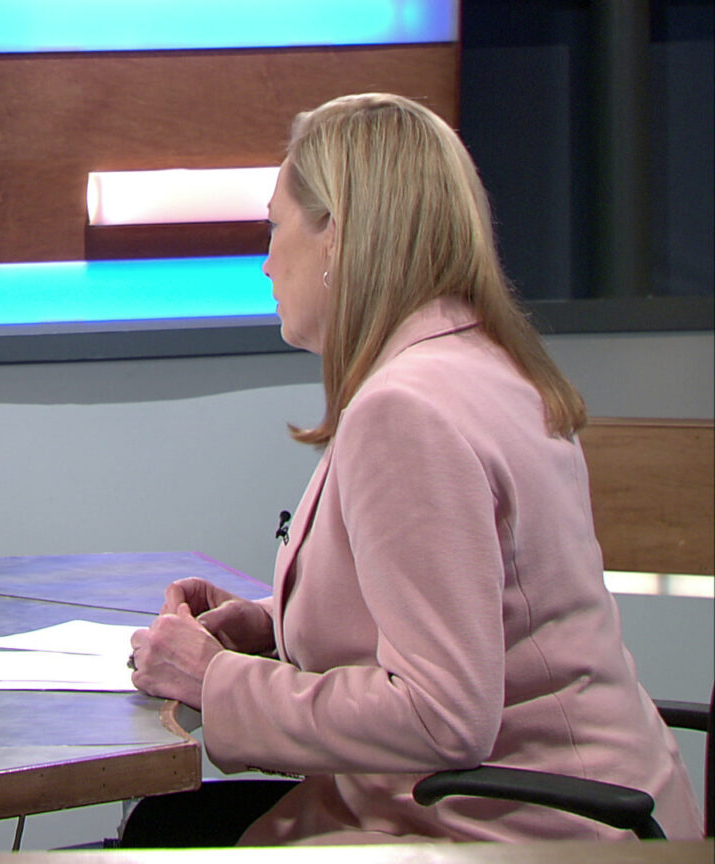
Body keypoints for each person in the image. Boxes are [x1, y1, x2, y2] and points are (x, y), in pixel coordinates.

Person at [126, 94, 701, 844]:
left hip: (521, 830)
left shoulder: (408, 412)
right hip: (591, 804)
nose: (266, 261)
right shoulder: (477, 364)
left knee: (161, 835)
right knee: (168, 827)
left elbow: (440, 713)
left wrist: (213, 680)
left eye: (275, 226)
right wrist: (271, 626)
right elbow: (459, 609)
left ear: (340, 236)